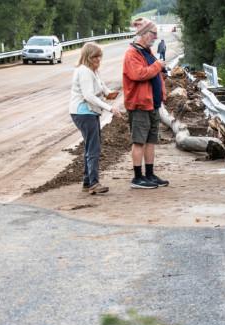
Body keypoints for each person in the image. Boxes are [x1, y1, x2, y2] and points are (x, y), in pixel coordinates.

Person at [69, 42, 122, 195]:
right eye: (95, 57)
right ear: (88, 57)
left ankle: (87, 182)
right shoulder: (84, 71)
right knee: (93, 148)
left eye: (100, 56)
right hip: (84, 112)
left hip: (89, 112)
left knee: (90, 146)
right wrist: (109, 107)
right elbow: (89, 95)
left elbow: (102, 86)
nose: (98, 59)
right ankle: (94, 183)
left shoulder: (93, 71)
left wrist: (109, 93)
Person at [122, 17, 168, 189]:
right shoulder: (132, 53)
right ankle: (137, 177)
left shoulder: (147, 52)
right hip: (139, 104)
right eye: (154, 34)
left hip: (152, 104)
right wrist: (157, 67)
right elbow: (138, 74)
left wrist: (159, 74)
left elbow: (149, 72)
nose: (156, 37)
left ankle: (149, 174)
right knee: (139, 141)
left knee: (150, 141)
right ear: (144, 34)